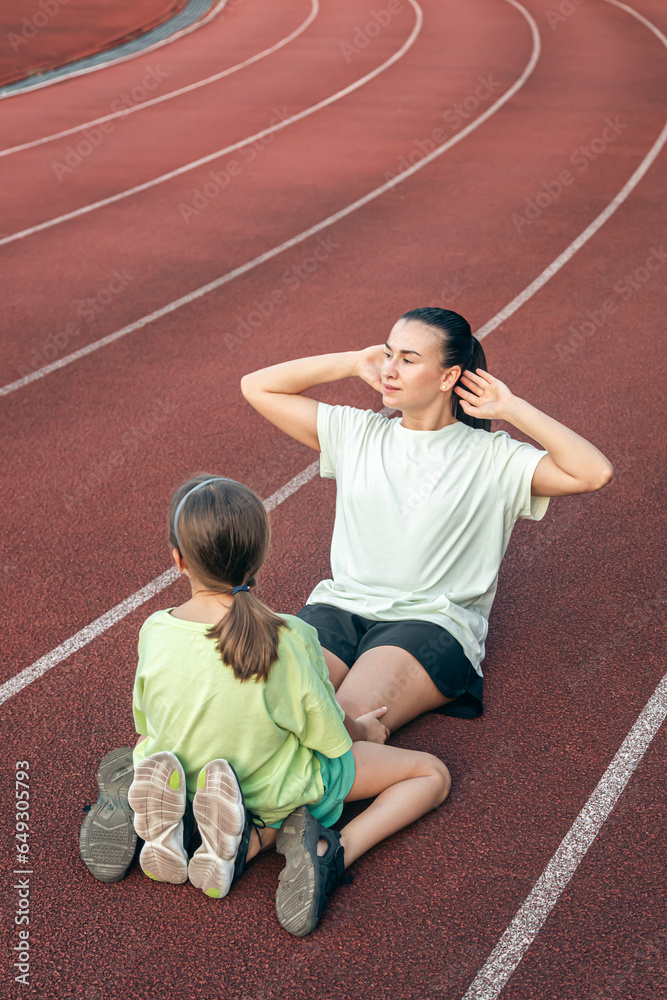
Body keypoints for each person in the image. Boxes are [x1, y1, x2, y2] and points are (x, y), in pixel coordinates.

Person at [80, 474, 450, 937]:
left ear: (178, 560)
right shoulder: (291, 637)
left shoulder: (154, 629)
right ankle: (328, 851)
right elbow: (330, 738)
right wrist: (364, 730)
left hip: (184, 774)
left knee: (146, 742)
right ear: (261, 556)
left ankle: (165, 812)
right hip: (270, 791)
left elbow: (145, 719)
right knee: (431, 774)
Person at [240, 307, 614, 733]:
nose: (389, 369)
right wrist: (350, 362)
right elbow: (257, 387)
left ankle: (269, 798)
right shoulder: (357, 433)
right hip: (338, 607)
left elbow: (592, 472)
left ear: (448, 377)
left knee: (333, 723)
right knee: (265, 704)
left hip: (430, 626)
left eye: (408, 359)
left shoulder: (494, 456)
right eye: (387, 353)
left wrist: (511, 408)